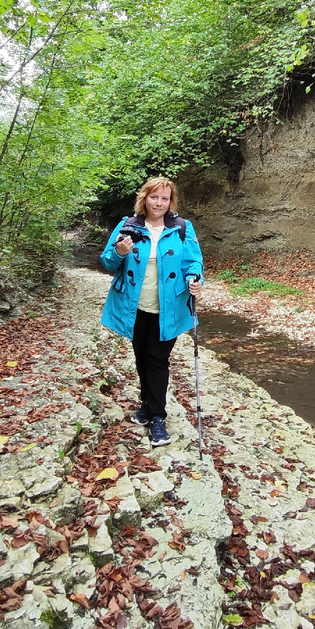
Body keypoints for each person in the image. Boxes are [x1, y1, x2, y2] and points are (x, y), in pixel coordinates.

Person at [100, 176, 204, 446]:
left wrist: (195, 279)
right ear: (144, 198)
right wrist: (120, 252)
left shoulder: (182, 228)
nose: (159, 203)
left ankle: (157, 416)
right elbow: (108, 263)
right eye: (154, 197)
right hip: (135, 308)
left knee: (157, 360)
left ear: (171, 202)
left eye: (165, 198)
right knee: (141, 358)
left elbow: (193, 262)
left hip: (169, 309)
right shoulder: (127, 226)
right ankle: (146, 406)